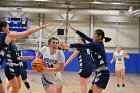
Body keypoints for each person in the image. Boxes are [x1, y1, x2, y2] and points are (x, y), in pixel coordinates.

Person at [59, 22, 111, 93]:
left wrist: (67, 45)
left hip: (103, 73)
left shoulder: (96, 45)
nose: (92, 36)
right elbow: (84, 36)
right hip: (99, 72)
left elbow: (82, 45)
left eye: (94, 35)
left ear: (99, 36)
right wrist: (73, 28)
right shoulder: (96, 43)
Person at [0, 20, 49, 93]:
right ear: (3, 28)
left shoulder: (12, 45)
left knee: (18, 86)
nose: (9, 28)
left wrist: (26, 57)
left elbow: (16, 57)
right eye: (8, 27)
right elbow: (28, 32)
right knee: (15, 88)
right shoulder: (7, 37)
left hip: (16, 67)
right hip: (10, 67)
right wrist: (41, 27)